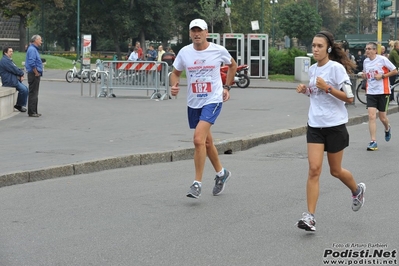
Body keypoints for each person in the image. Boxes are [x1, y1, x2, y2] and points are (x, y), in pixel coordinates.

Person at [295, 31, 366, 232]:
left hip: (335, 125)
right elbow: (314, 93)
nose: (315, 49)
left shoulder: (336, 69)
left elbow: (350, 98)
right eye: (313, 45)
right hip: (315, 125)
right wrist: (305, 90)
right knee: (314, 169)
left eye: (319, 46)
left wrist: (327, 88)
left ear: (327, 48)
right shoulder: (313, 69)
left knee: (335, 170)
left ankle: (356, 190)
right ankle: (310, 217)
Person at [170, 18, 237, 199]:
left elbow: (233, 65)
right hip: (194, 102)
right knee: (207, 143)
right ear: (190, 33)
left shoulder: (217, 50)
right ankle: (222, 173)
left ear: (207, 33)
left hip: (213, 100)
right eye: (193, 31)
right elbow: (175, 73)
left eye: (200, 31)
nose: (197, 34)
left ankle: (197, 184)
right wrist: (174, 85)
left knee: (198, 140)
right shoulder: (185, 52)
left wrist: (227, 87)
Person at [361, 42, 397, 151]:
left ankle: (387, 128)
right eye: (366, 49)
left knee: (382, 117)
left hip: (383, 91)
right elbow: (366, 73)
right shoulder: (366, 61)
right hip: (371, 92)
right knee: (371, 116)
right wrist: (364, 75)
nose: (367, 51)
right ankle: (373, 141)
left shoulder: (382, 60)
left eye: (369, 49)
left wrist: (383, 76)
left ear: (375, 50)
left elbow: (395, 71)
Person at [0, 47, 29, 112]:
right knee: (24, 90)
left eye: (12, 51)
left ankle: (20, 105)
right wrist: (21, 74)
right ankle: (19, 105)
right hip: (10, 81)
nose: (12, 53)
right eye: (10, 51)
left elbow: (15, 68)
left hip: (13, 79)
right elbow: (14, 69)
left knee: (26, 89)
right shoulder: (5, 61)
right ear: (5, 52)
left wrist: (20, 74)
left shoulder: (8, 60)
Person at [25, 35, 43, 117]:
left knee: (35, 93)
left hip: (34, 73)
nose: (41, 41)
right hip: (33, 74)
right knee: (33, 93)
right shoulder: (32, 49)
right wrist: (36, 72)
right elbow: (32, 62)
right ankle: (32, 112)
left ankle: (34, 111)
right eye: (40, 40)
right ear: (35, 40)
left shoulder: (33, 49)